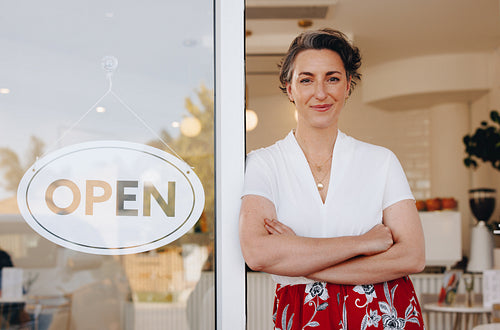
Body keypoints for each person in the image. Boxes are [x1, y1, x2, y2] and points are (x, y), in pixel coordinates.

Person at [239, 28, 426, 329]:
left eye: (333, 78)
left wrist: (301, 260)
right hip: (302, 312)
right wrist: (362, 243)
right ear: (290, 89)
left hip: (382, 311)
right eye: (306, 79)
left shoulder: (381, 161)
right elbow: (258, 253)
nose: (321, 92)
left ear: (348, 85)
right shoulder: (263, 163)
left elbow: (413, 256)